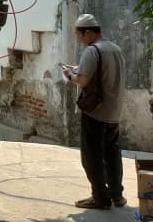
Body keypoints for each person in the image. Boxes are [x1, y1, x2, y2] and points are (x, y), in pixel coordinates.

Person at [61, 13, 127, 210]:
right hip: (114, 111)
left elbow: (83, 80)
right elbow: (103, 74)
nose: (80, 40)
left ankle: (100, 197)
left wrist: (69, 75)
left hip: (95, 112)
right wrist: (78, 68)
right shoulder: (115, 49)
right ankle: (117, 195)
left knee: (92, 156)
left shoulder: (92, 51)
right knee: (112, 155)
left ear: (88, 32)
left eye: (80, 36)